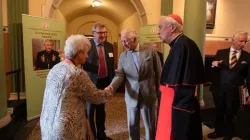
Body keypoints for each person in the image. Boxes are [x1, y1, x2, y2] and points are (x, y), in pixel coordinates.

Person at [40, 35, 112, 140]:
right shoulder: (77, 74)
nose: (87, 56)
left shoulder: (55, 68)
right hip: (67, 128)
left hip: (48, 123)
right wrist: (108, 92)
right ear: (79, 53)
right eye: (86, 52)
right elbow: (94, 96)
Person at [156, 14, 206, 140]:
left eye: (160, 27)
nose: (158, 32)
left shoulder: (184, 45)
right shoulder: (178, 44)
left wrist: (178, 109)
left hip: (178, 103)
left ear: (172, 27)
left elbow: (186, 84)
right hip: (172, 100)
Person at [105, 28, 162, 140]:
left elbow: (159, 73)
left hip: (148, 95)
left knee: (150, 125)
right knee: (132, 126)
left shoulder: (150, 52)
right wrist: (112, 86)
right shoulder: (123, 56)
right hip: (131, 96)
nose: (124, 44)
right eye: (122, 41)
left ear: (135, 39)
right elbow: (119, 75)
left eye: (126, 41)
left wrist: (160, 93)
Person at [208, 31, 250, 140]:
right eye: (241, 41)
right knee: (219, 111)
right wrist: (213, 64)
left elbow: (248, 77)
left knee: (231, 113)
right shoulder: (221, 52)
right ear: (233, 40)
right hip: (219, 89)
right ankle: (218, 131)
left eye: (245, 41)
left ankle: (228, 135)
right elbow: (212, 67)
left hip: (235, 90)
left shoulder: (247, 56)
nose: (243, 44)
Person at [82, 23, 115, 140]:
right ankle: (92, 136)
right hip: (91, 82)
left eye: (104, 32)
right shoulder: (87, 45)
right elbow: (83, 62)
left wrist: (112, 82)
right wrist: (97, 69)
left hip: (104, 82)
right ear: (93, 33)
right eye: (100, 33)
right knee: (90, 111)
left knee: (101, 110)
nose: (103, 35)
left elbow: (111, 64)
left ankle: (101, 134)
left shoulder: (109, 46)